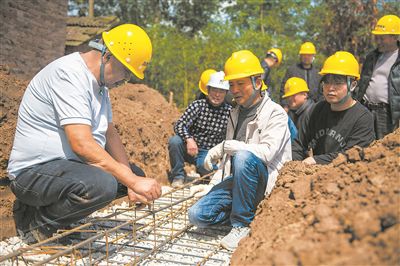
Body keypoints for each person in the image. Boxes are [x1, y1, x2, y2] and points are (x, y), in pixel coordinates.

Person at [7, 24, 162, 244]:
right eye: (126, 71)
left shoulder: (100, 86)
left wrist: (131, 179)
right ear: (108, 56)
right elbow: (81, 144)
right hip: (33, 173)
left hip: (66, 170)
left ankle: (64, 217)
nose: (126, 80)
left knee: (131, 173)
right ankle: (38, 226)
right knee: (102, 185)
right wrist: (132, 181)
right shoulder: (68, 74)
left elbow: (109, 132)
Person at [188, 50, 292, 251]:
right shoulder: (234, 113)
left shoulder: (275, 113)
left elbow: (267, 153)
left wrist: (227, 146)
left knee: (244, 156)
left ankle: (241, 224)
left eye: (240, 83)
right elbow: (228, 161)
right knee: (197, 215)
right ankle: (249, 213)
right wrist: (212, 186)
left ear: (257, 82)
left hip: (264, 183)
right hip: (238, 183)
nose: (234, 90)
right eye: (231, 84)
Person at [292, 51, 375, 165]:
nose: (331, 88)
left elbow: (353, 155)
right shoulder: (316, 110)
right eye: (327, 81)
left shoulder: (363, 118)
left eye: (338, 82)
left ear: (353, 85)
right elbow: (298, 145)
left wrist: (316, 160)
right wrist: (295, 166)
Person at [169, 71, 232, 188]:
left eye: (221, 91)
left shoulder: (229, 112)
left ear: (226, 93)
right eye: (214, 90)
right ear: (208, 91)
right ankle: (178, 176)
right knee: (175, 141)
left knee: (205, 167)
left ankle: (208, 175)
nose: (217, 95)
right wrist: (189, 139)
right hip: (191, 149)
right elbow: (179, 125)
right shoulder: (198, 106)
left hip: (209, 154)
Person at [354, 14, 400, 139]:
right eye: (377, 38)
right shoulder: (372, 56)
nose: (378, 41)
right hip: (365, 108)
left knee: (383, 148)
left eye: (382, 38)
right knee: (362, 144)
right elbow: (362, 83)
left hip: (386, 114)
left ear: (395, 37)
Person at [280, 42, 322, 108]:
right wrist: (285, 105)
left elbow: (321, 92)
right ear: (300, 56)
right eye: (304, 55)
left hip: (314, 107)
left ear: (313, 56)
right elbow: (283, 89)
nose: (306, 57)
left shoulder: (317, 73)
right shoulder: (292, 70)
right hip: (294, 108)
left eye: (309, 55)